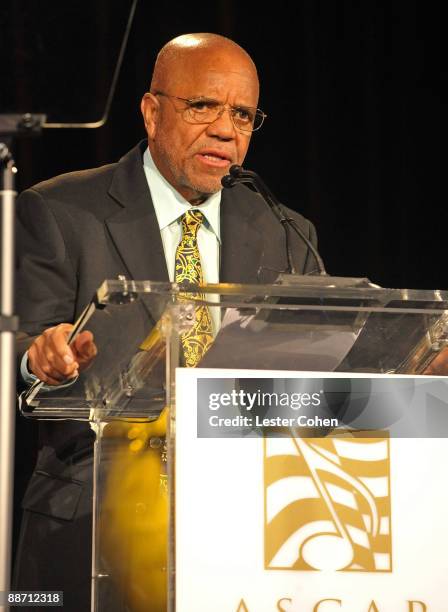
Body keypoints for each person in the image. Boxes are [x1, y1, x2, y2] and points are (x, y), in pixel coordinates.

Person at [14, 33, 318, 610]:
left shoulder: (286, 232)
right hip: (90, 531)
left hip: (245, 531)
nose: (226, 130)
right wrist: (39, 360)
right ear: (152, 112)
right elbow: (17, 352)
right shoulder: (59, 211)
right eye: (202, 106)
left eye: (244, 115)